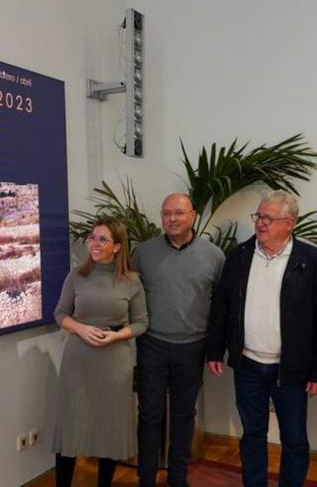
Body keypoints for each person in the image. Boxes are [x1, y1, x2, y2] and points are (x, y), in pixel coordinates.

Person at [205, 190, 317, 487]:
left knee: (294, 439)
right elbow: (221, 308)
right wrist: (215, 350)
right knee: (252, 434)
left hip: (290, 369)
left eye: (268, 218)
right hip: (248, 365)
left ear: (289, 222)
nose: (260, 223)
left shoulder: (313, 261)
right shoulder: (239, 256)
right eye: (258, 216)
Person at [132, 193, 225, 487]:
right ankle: (145, 477)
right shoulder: (143, 253)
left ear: (193, 216)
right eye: (167, 213)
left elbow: (222, 308)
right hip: (152, 345)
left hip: (193, 347)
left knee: (184, 416)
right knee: (149, 415)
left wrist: (215, 350)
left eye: (179, 213)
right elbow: (129, 297)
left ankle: (177, 477)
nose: (172, 219)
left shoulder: (214, 256)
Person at [52, 216, 148, 487]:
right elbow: (60, 314)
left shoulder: (132, 281)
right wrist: (81, 330)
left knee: (111, 428)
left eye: (102, 239)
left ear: (117, 246)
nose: (94, 243)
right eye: (92, 237)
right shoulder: (76, 276)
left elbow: (142, 323)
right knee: (71, 426)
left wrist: (117, 335)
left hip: (115, 360)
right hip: (78, 360)